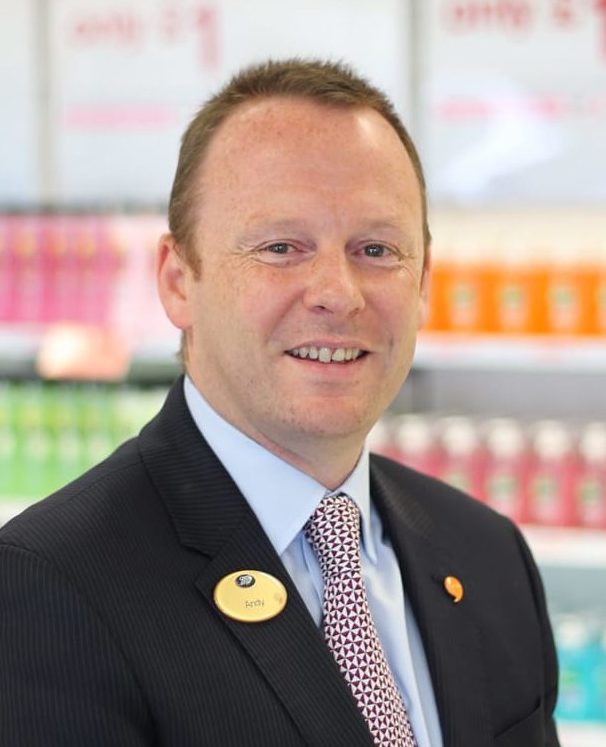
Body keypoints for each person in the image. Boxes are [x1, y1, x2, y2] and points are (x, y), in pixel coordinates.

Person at [0, 59, 559, 747]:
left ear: (422, 286)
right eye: (281, 247)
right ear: (178, 281)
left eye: (377, 249)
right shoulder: (50, 589)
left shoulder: (487, 555)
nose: (337, 291)